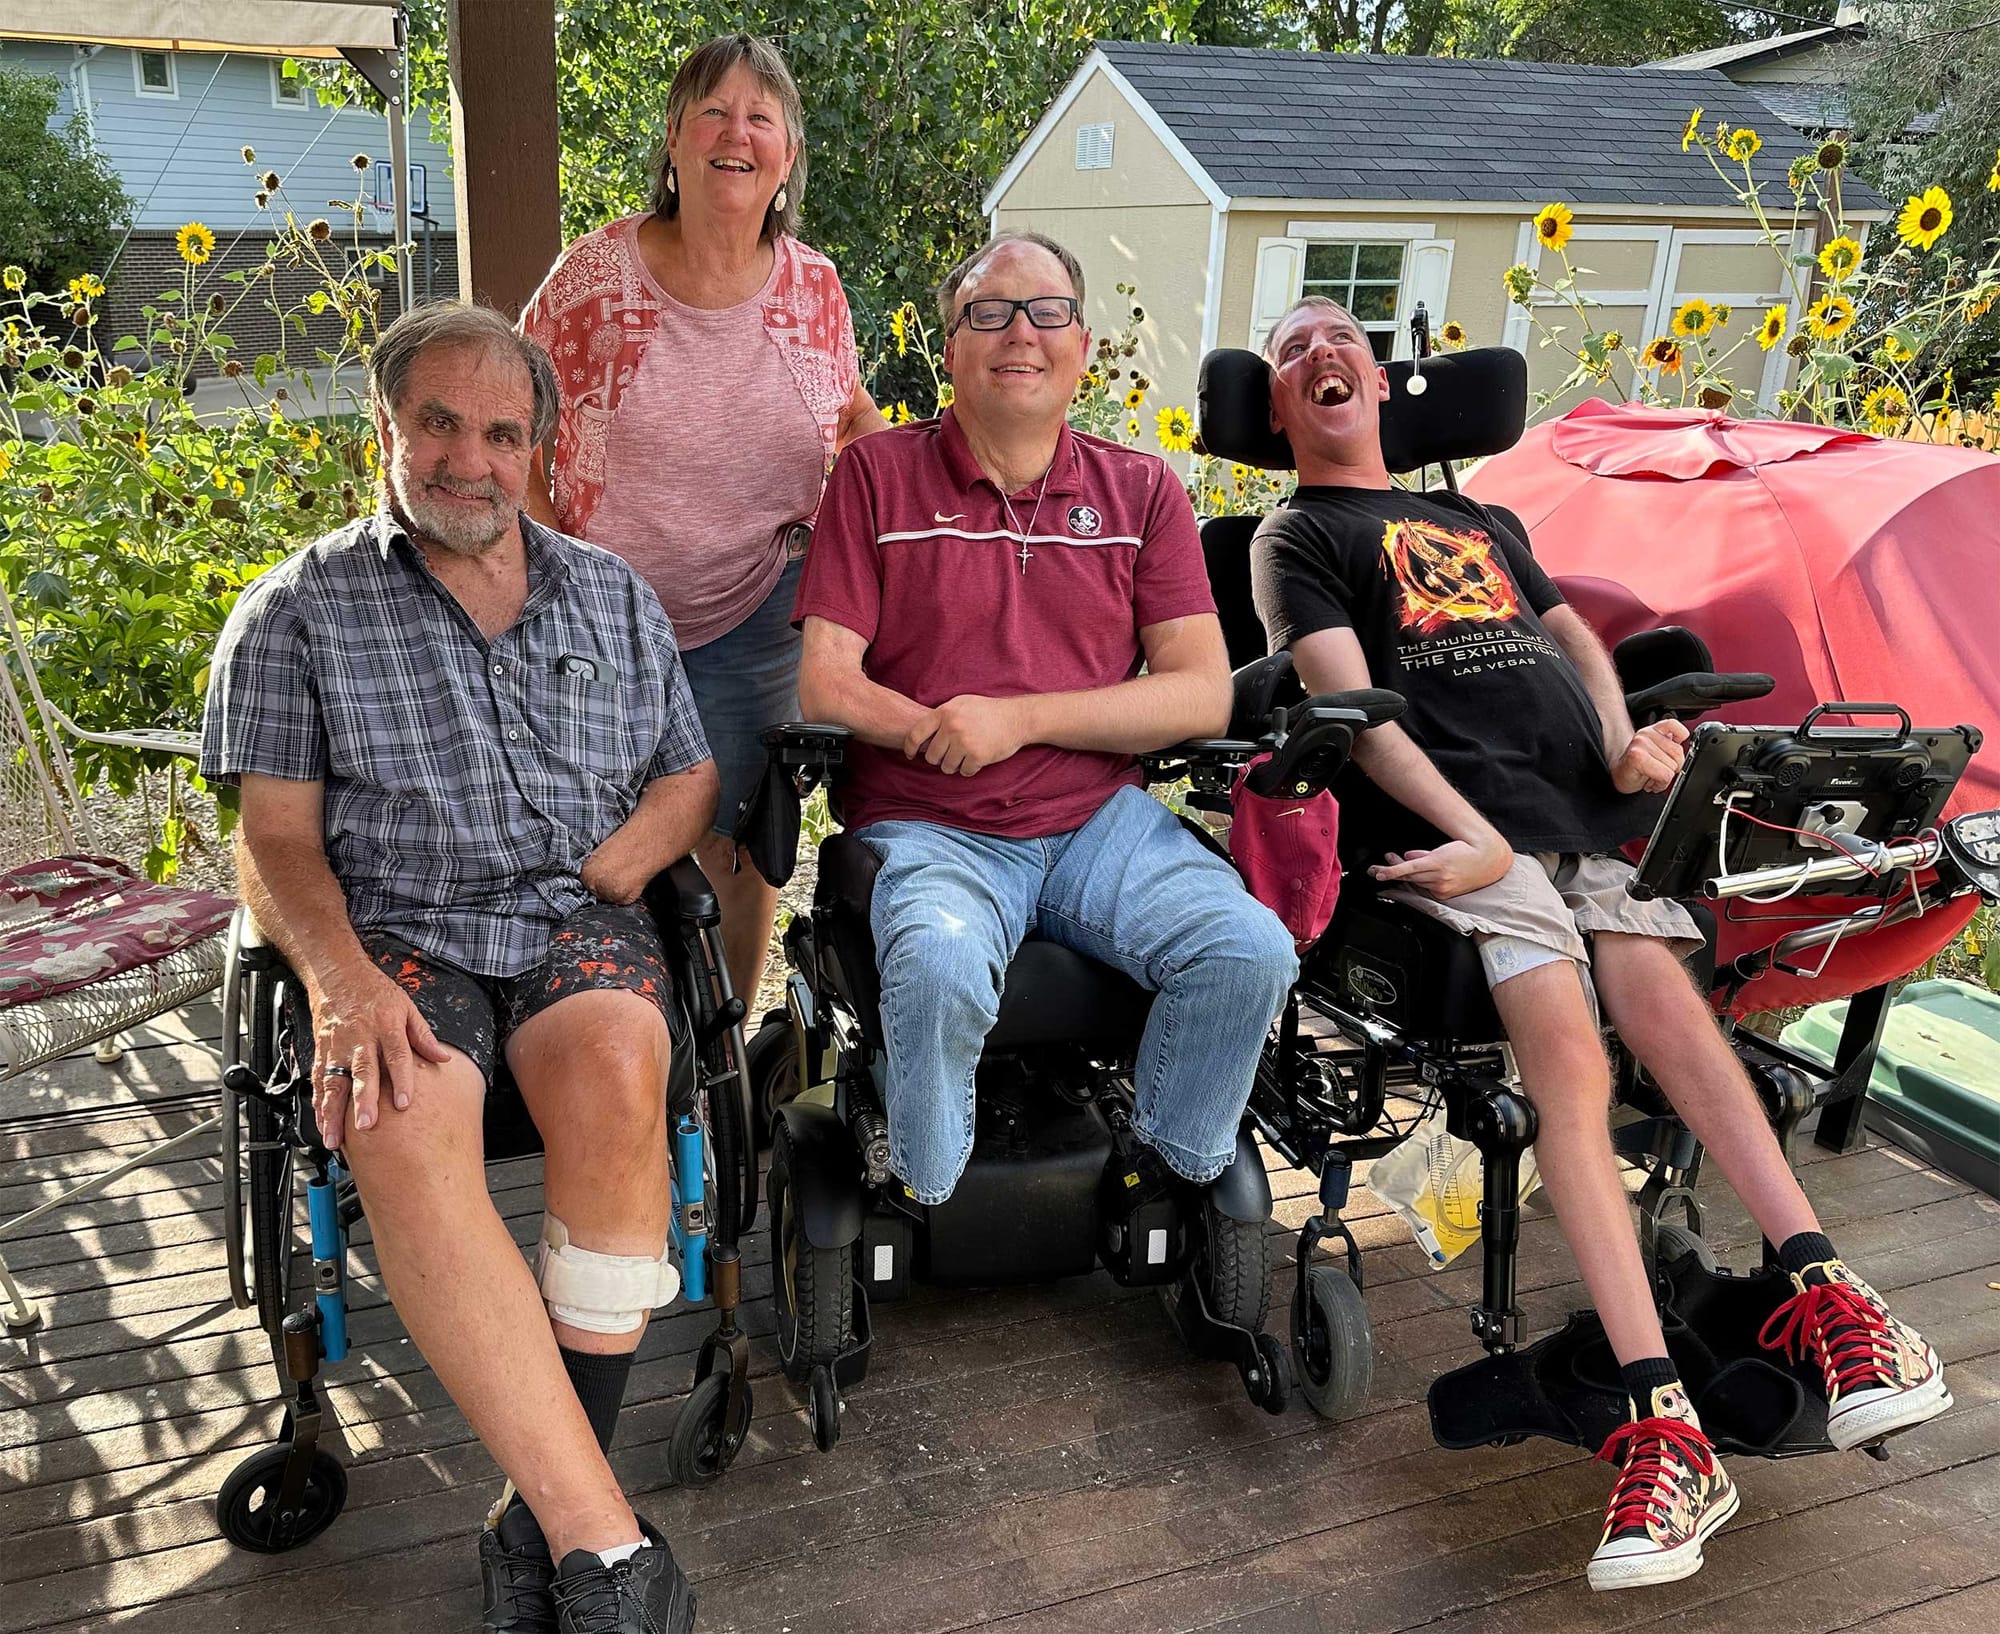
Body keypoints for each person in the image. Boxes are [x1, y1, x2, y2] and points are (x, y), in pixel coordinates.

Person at [1249, 295, 1951, 1592]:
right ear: (1277, 407)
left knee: (1671, 1001)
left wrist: (1627, 735)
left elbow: (1573, 636)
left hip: (1586, 803)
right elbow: (1347, 700)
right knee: (1569, 1065)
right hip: (1469, 828)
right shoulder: (1300, 532)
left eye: (1339, 335)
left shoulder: (1485, 523)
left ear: (1386, 384)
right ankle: (1658, 1414)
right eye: (1291, 353)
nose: (1320, 354)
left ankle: (1835, 1296)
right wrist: (1469, 835)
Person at [200, 303, 710, 1634]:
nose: (469, 459)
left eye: (501, 432)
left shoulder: (612, 593)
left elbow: (691, 768)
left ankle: (539, 1507)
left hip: (565, 923)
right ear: (386, 426)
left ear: (538, 448)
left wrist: (645, 842)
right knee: (398, 1099)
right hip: (396, 934)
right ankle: (609, 1548)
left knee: (614, 1063)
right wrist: (340, 979)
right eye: (438, 422)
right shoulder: (292, 613)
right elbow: (273, 839)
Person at [792, 229, 1299, 1207]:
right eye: (986, 311)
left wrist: (1017, 719)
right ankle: (925, 1185)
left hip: (1100, 826)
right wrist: (931, 729)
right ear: (950, 348)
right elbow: (827, 683)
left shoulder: (1140, 489)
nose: (1017, 331)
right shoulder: (874, 478)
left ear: (1079, 343)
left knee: (1250, 951)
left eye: (1044, 311)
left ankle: (1157, 1168)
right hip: (929, 827)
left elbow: (1200, 690)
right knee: (937, 964)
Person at [520, 32, 886, 1013]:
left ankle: (718, 1041)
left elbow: (845, 409)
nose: (737, 134)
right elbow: (505, 419)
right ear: (674, 142)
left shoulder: (813, 287)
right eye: (713, 113)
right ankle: (614, 1034)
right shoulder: (596, 276)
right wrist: (548, 568)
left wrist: (877, 456)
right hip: (595, 618)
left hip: (753, 614)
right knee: (602, 845)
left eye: (760, 117)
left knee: (737, 843)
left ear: (787, 156)